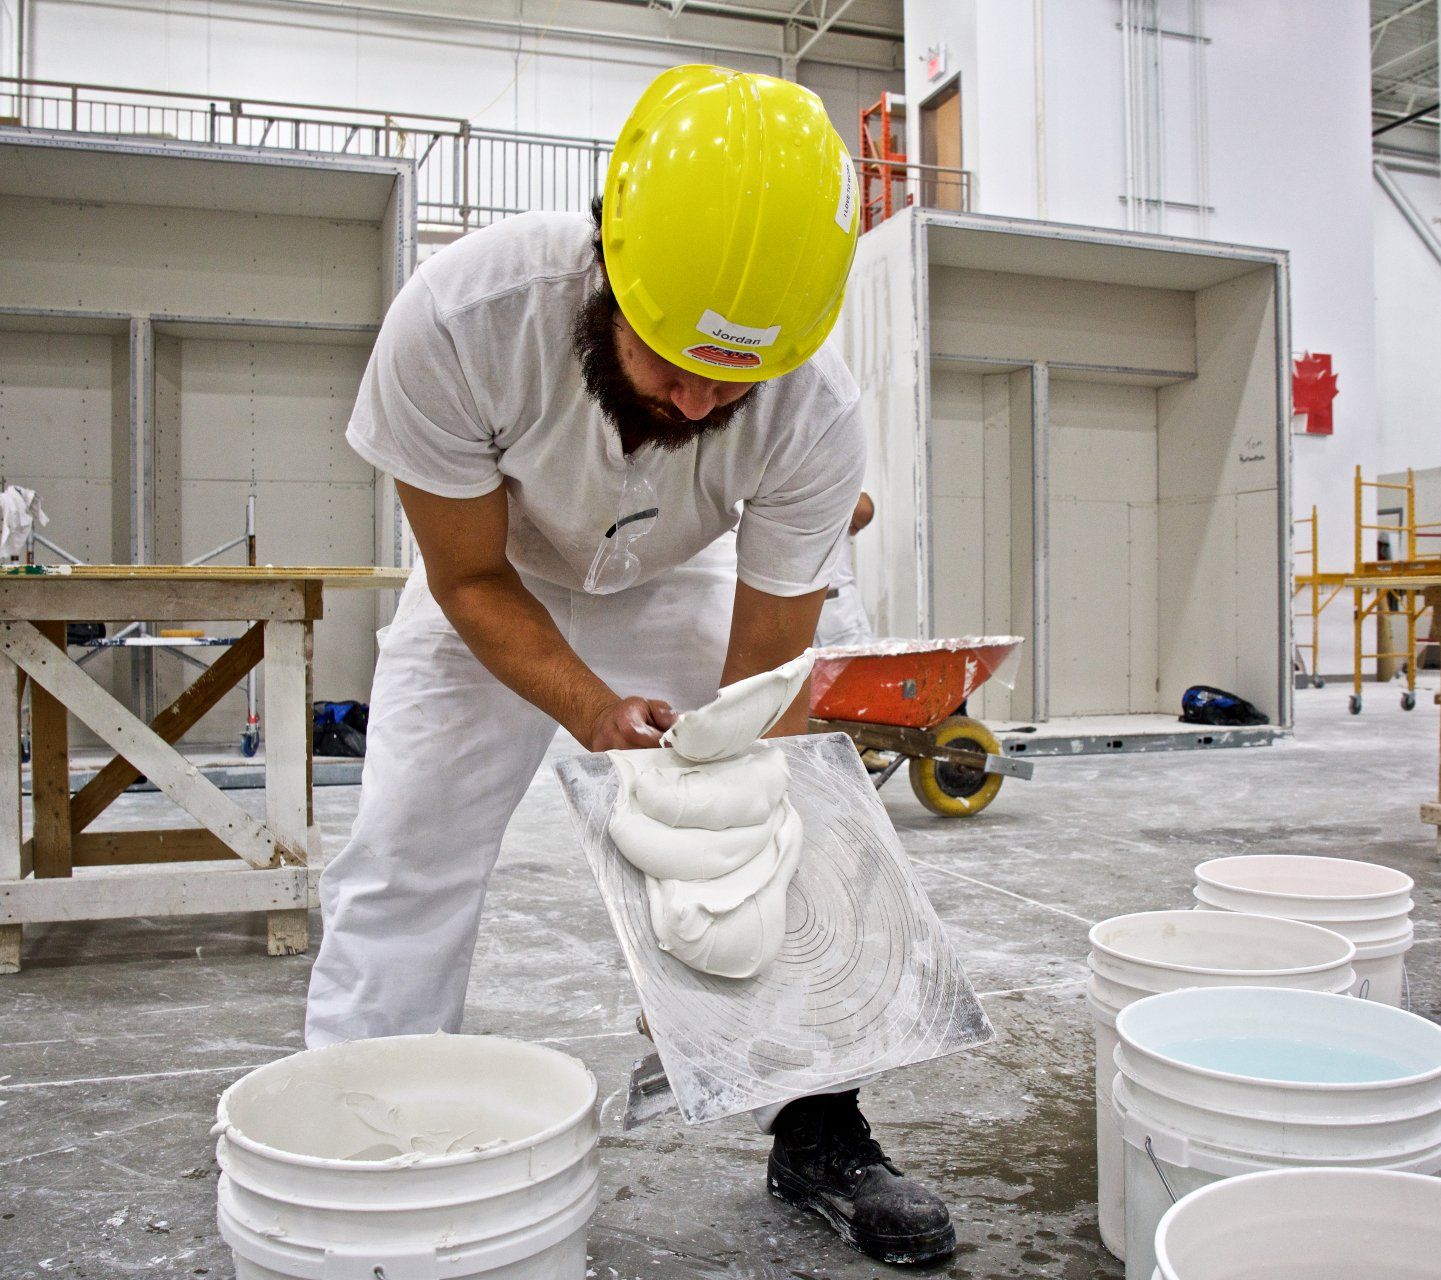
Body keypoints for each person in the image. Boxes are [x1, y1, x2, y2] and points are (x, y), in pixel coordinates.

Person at [304, 65, 956, 1265]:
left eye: (736, 377)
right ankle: (349, 1123)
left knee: (797, 810)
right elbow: (471, 581)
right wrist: (594, 710)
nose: (704, 396)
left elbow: (767, 684)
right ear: (611, 262)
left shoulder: (814, 410)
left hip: (691, 571)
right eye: (671, 358)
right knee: (407, 846)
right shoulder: (460, 320)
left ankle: (821, 1129)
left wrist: (726, 818)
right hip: (505, 573)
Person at [814, 491, 877, 647]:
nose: (854, 532)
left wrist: (848, 519)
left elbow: (864, 508)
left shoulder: (833, 485)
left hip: (837, 602)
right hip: (805, 603)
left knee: (857, 664)